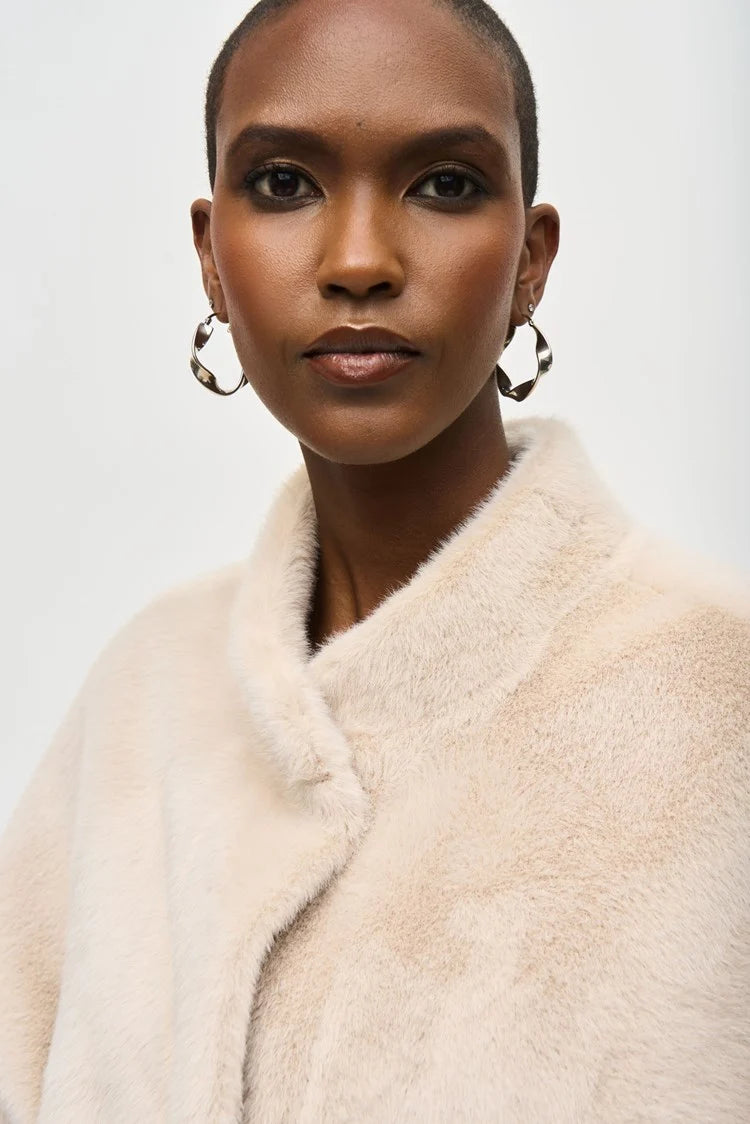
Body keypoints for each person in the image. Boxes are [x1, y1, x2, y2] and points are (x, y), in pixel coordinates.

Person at [1, 0, 748, 1120]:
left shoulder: (719, 696)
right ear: (211, 257)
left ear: (531, 261)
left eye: (444, 183)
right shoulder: (139, 703)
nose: (358, 260)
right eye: (284, 183)